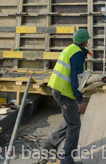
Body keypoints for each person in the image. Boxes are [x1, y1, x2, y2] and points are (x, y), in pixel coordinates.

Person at [44, 29, 91, 164]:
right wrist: (80, 100)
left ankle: (51, 143)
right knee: (74, 125)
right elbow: (75, 79)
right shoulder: (77, 54)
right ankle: (67, 161)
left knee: (71, 118)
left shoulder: (70, 48)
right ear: (85, 41)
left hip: (57, 87)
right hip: (63, 91)